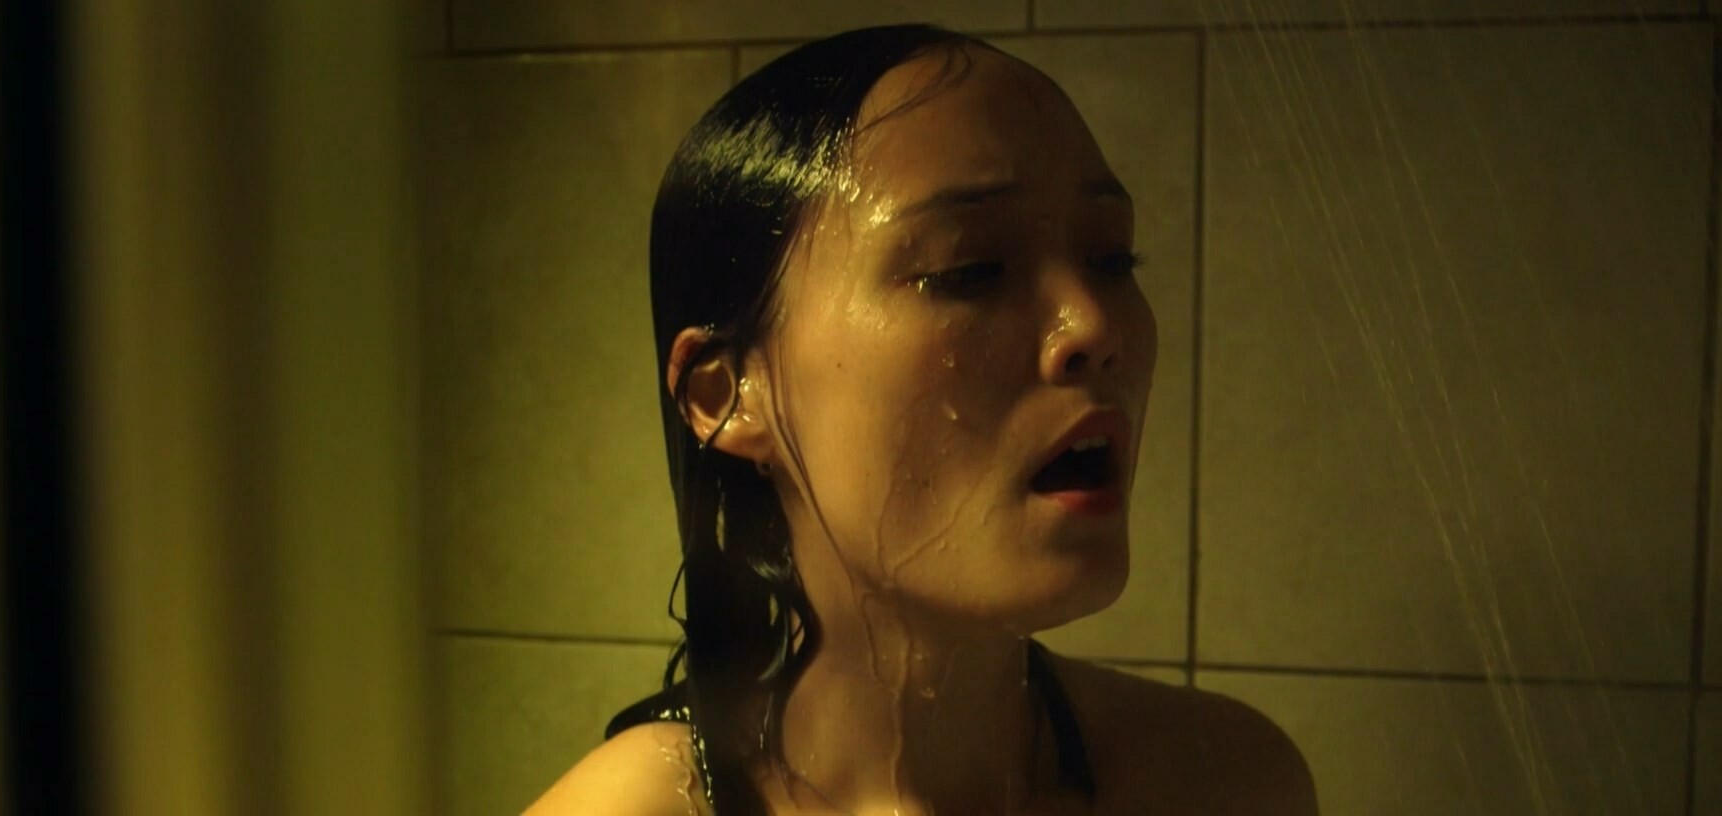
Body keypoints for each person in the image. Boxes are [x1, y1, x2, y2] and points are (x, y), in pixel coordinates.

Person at [525, 24, 1318, 815]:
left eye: (1112, 258)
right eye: (969, 270)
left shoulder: (1227, 785)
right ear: (724, 393)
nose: (1094, 324)